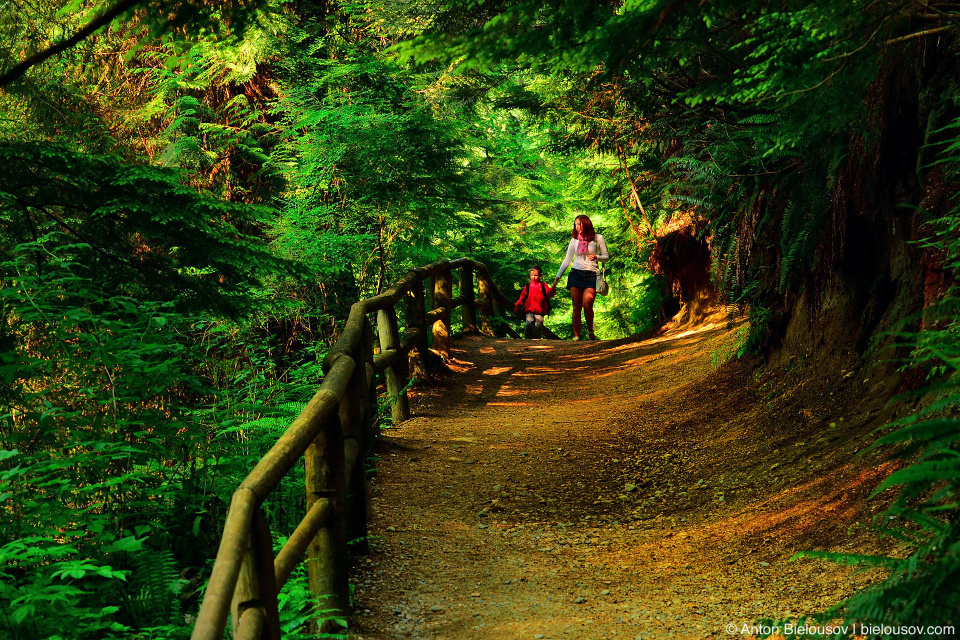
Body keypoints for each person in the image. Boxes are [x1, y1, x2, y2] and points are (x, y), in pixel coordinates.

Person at [551, 214, 609, 341]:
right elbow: (567, 261)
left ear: (586, 223)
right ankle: (576, 336)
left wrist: (597, 257)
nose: (577, 227)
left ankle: (590, 331)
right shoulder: (574, 240)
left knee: (587, 304)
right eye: (575, 224)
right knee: (576, 306)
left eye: (579, 224)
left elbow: (606, 256)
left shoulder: (598, 238)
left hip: (591, 274)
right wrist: (556, 279)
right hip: (575, 274)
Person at [514, 266, 555, 339]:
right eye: (532, 275)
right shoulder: (528, 286)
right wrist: (517, 306)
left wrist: (552, 289)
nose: (533, 277)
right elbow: (522, 298)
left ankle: (536, 340)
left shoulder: (543, 285)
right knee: (528, 324)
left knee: (538, 326)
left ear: (540, 275)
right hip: (529, 311)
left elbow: (549, 293)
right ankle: (527, 340)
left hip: (540, 311)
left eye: (535, 275)